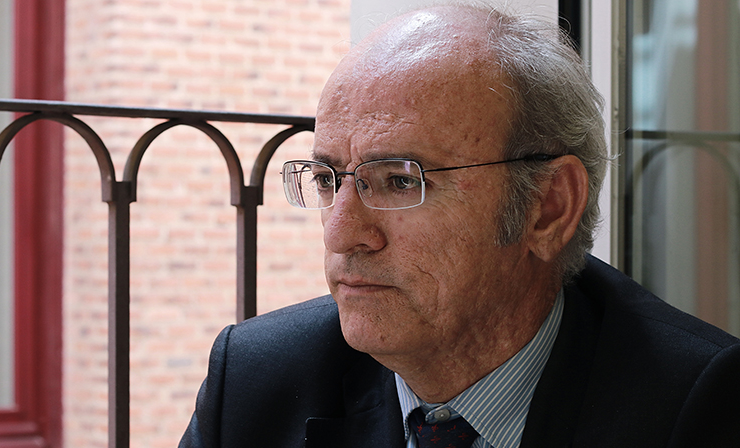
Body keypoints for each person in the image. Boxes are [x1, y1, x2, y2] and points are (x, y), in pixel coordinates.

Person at [179, 3, 740, 447]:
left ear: (548, 207)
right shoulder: (256, 382)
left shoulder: (697, 405)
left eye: (400, 181)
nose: (341, 233)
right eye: (328, 179)